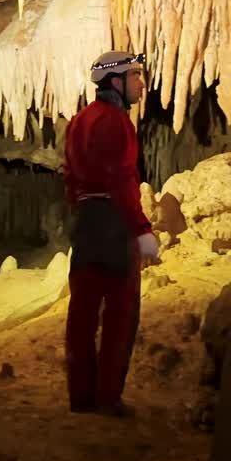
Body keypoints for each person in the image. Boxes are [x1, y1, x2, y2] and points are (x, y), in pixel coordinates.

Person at [61, 51, 160, 417]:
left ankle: (81, 397)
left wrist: (83, 212)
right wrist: (141, 229)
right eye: (135, 76)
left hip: (86, 221)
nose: (140, 84)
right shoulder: (117, 123)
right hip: (115, 223)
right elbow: (122, 181)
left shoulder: (79, 121)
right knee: (120, 312)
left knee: (82, 312)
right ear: (115, 81)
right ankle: (107, 397)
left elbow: (70, 177)